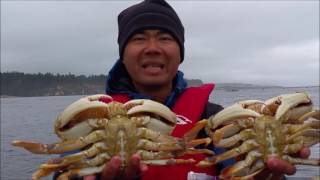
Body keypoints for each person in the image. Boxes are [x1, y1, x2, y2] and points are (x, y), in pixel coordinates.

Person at [57, 0, 311, 179]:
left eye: (165, 38)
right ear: (123, 55)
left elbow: (245, 165)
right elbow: (61, 169)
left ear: (180, 54)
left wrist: (264, 176)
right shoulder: (89, 122)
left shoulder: (215, 120)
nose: (153, 47)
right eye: (138, 38)